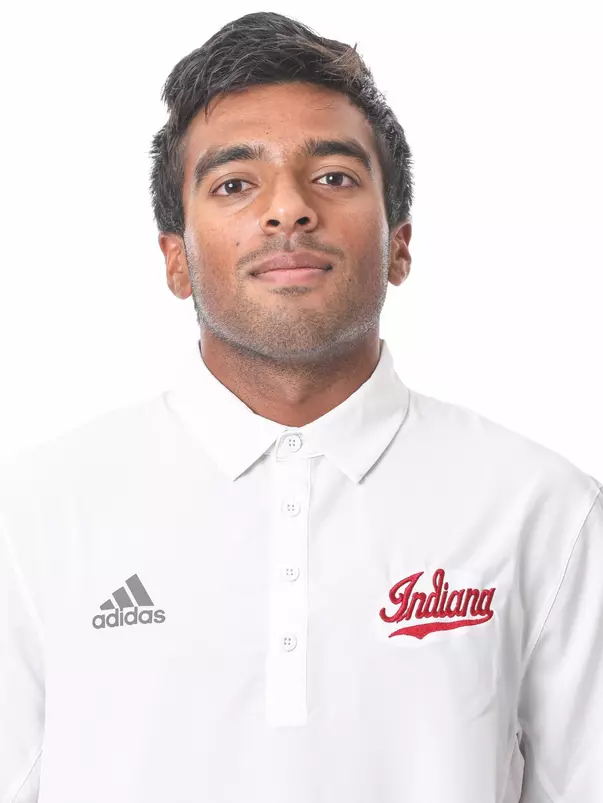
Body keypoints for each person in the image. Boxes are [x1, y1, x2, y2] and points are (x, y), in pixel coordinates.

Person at [0, 10, 601, 803]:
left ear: (399, 244)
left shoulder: (542, 509)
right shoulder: (36, 513)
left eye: (334, 177)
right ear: (176, 260)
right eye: (234, 184)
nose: (287, 210)